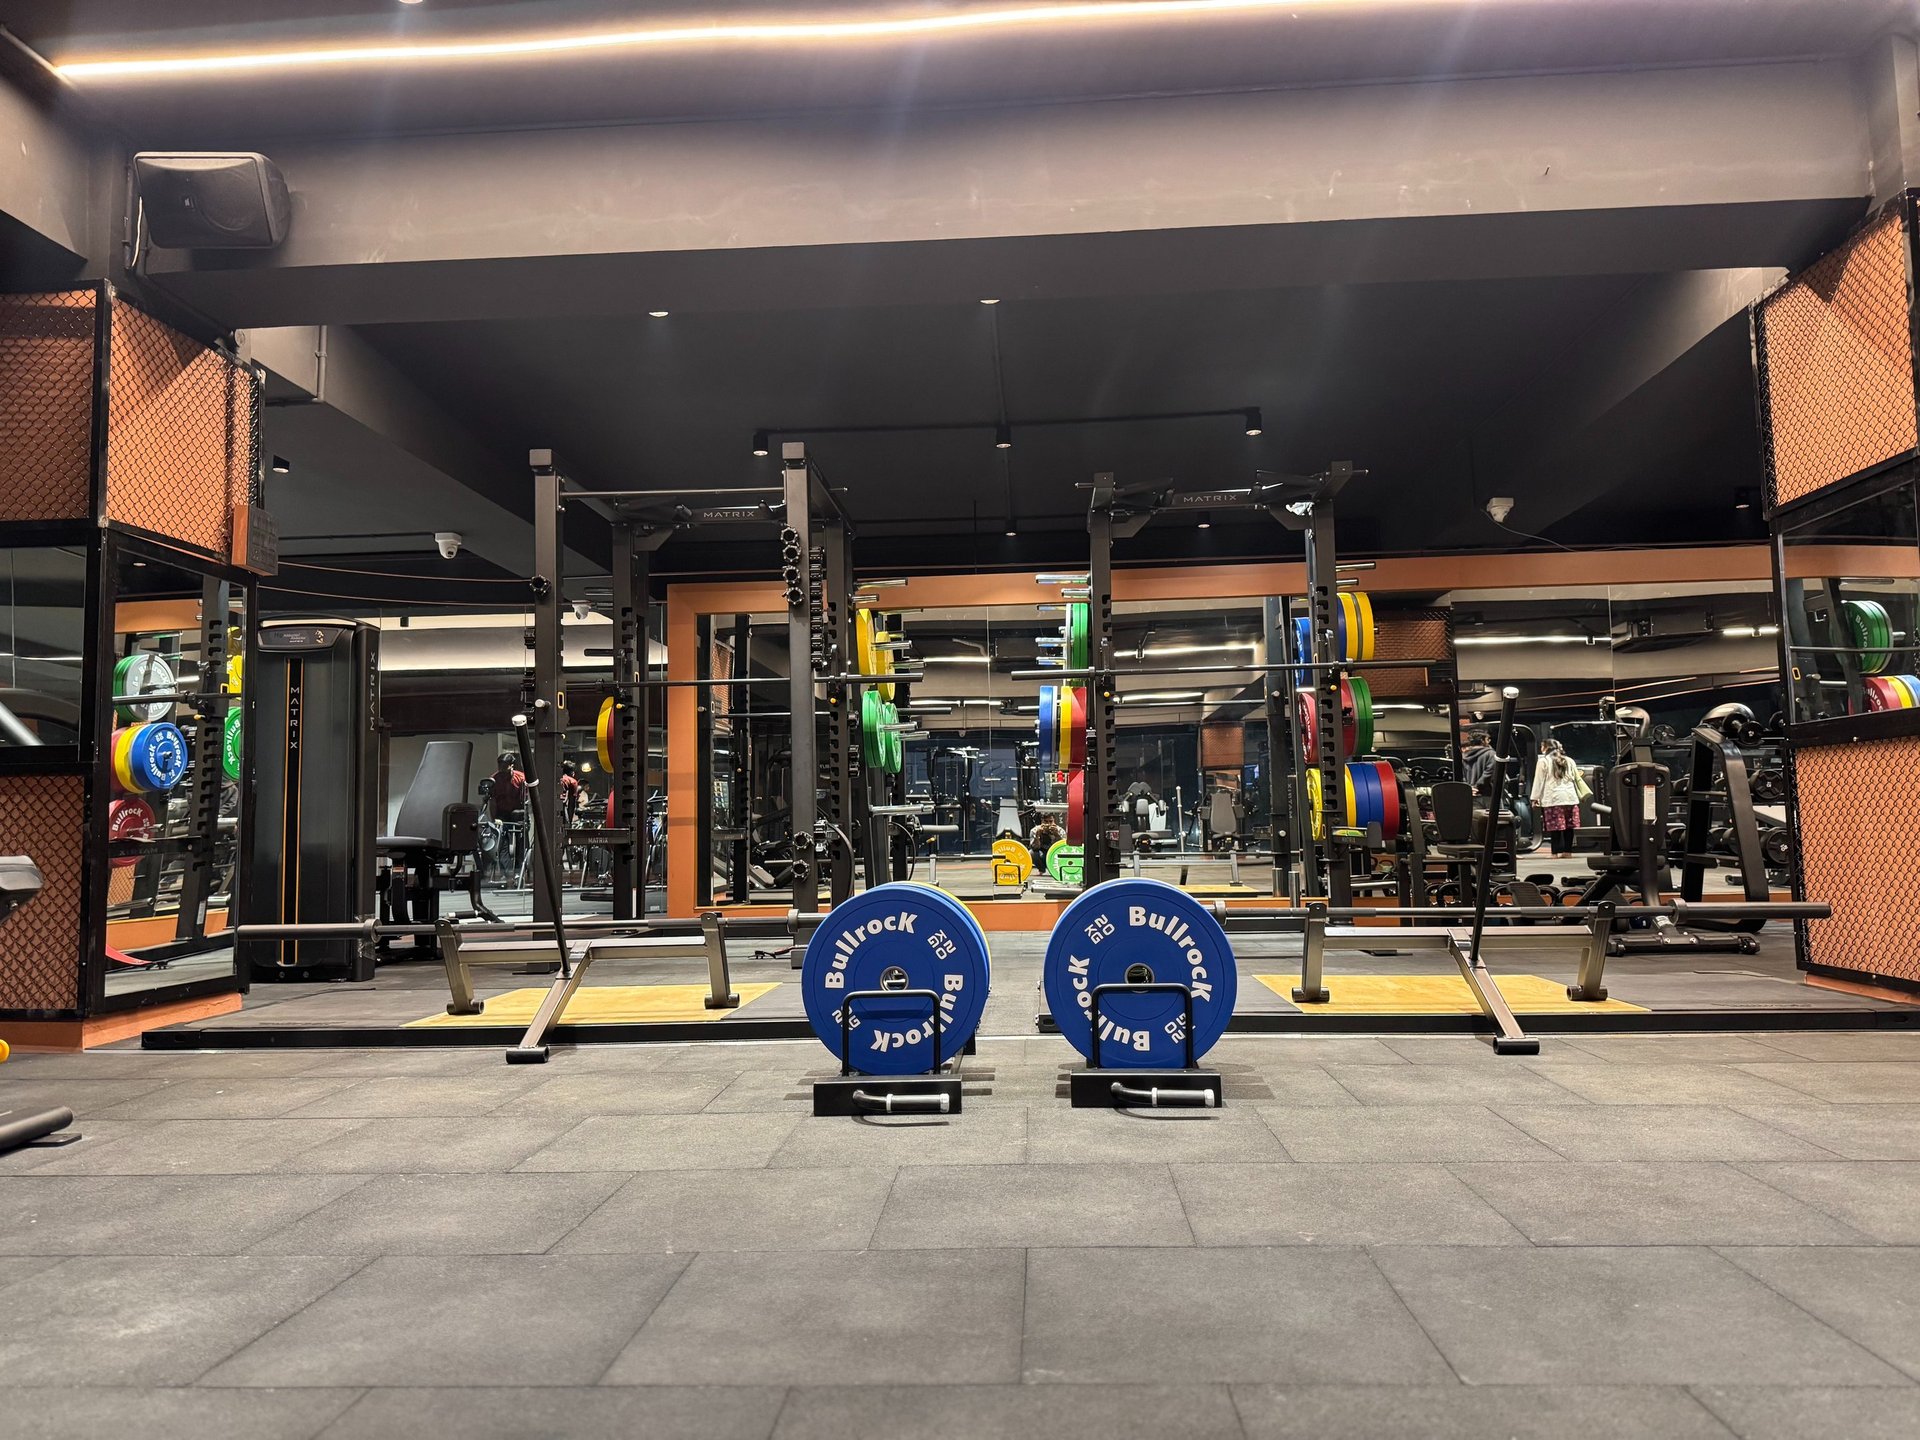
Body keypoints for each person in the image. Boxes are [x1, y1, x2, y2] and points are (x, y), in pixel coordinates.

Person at [1530, 738, 1588, 856]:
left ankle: (1555, 853)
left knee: (1555, 827)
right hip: (1570, 798)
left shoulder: (1543, 761)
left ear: (1546, 748)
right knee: (1569, 826)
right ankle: (1568, 852)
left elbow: (1539, 781)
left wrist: (1535, 797)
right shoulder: (1569, 760)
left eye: (1542, 746)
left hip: (1553, 798)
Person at [486, 752, 527, 880]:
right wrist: (494, 819)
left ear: (511, 765)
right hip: (501, 813)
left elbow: (526, 799)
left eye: (504, 765)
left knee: (521, 841)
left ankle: (519, 871)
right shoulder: (494, 779)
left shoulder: (521, 778)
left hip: (518, 812)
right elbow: (492, 800)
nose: (501, 768)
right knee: (502, 842)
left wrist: (524, 814)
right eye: (500, 765)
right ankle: (506, 872)